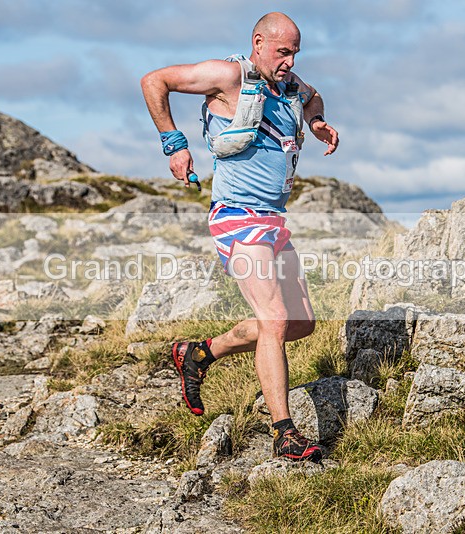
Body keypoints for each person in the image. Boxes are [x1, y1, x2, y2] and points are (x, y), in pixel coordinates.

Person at [141, 12, 339, 461]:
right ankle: (284, 431)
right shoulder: (229, 76)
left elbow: (313, 96)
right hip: (236, 218)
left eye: (295, 53)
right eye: (282, 51)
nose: (289, 61)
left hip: (273, 220)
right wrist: (174, 143)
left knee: (300, 324)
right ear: (258, 42)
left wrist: (317, 120)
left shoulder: (289, 84)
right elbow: (154, 81)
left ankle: (201, 353)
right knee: (273, 320)